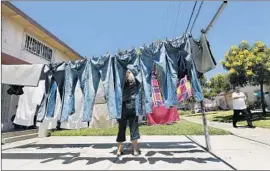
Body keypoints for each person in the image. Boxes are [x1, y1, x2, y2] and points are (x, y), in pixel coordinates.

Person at [116, 70, 141, 156]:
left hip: (122, 106)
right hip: (132, 104)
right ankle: (135, 150)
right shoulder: (133, 78)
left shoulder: (119, 79)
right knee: (134, 127)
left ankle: (119, 150)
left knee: (121, 128)